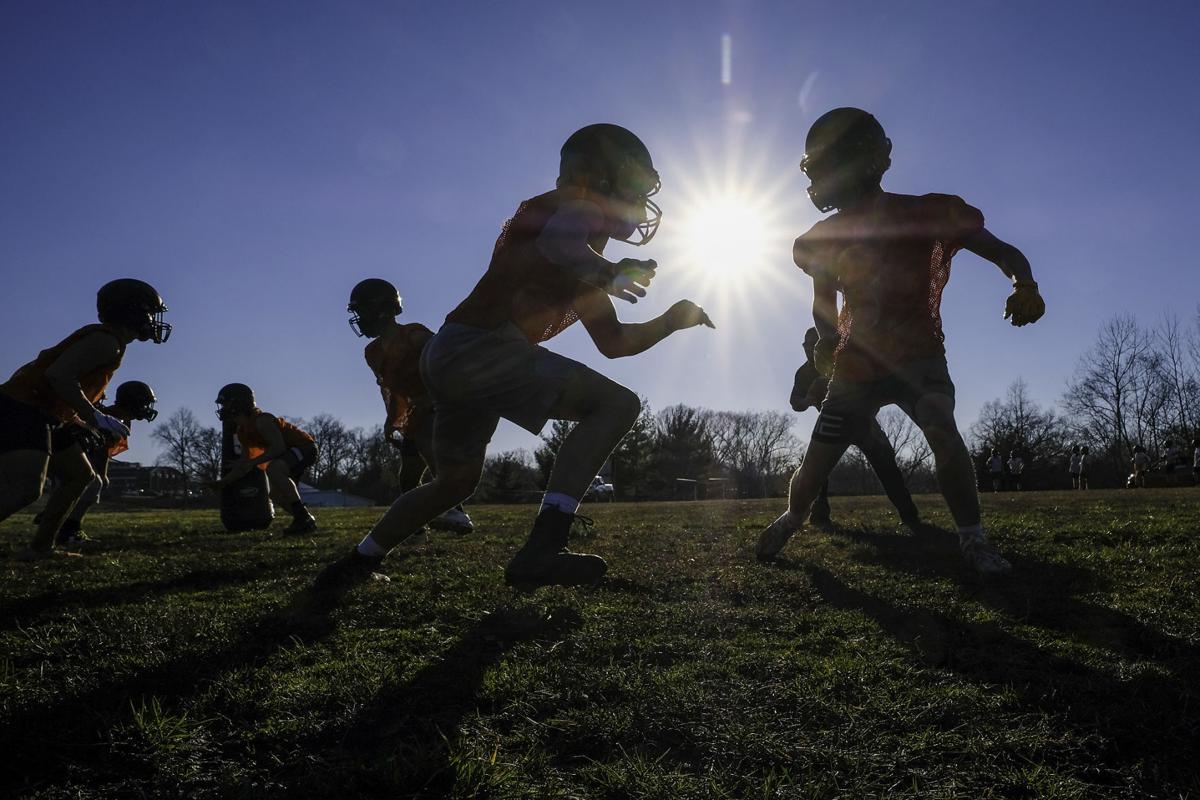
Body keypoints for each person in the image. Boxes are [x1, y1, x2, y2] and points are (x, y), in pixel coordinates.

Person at [321, 123, 714, 589]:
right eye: (633, 183)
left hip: (451, 350)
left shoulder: (579, 253)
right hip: (480, 346)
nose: (639, 200)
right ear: (600, 174)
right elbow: (560, 244)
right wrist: (609, 271)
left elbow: (615, 343)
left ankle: (361, 559)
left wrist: (669, 321)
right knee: (617, 406)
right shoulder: (577, 209)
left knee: (454, 484)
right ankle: (545, 546)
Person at [756, 108, 1045, 574]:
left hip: (918, 353)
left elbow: (1002, 251)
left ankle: (972, 539)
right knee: (816, 463)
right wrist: (828, 339)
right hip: (858, 361)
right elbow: (821, 302)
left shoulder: (925, 213)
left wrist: (1023, 283)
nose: (820, 179)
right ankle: (793, 515)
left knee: (940, 426)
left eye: (826, 165)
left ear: (859, 161)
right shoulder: (826, 237)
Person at [0, 279, 170, 559]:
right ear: (133, 311)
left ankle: (41, 547)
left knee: (81, 476)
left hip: (47, 410)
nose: (153, 320)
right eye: (150, 312)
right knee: (26, 489)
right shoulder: (107, 342)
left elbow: (60, 385)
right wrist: (96, 416)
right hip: (24, 406)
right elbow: (58, 376)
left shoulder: (109, 342)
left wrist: (80, 420)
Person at [347, 277, 473, 535]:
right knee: (408, 475)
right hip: (418, 410)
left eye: (363, 311)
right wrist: (392, 419)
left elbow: (449, 364)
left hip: (444, 402)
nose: (360, 318)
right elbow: (393, 389)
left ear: (382, 309)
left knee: (431, 447)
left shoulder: (415, 335)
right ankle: (415, 525)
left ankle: (456, 512)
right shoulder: (372, 352)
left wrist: (433, 399)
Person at [789, 326, 923, 529]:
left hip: (862, 420)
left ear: (822, 344)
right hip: (832, 424)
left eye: (813, 344)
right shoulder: (803, 374)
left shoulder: (842, 360)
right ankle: (819, 515)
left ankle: (909, 515)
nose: (809, 349)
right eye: (806, 345)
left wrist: (871, 407)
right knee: (816, 469)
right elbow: (795, 402)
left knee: (886, 464)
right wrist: (807, 400)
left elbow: (876, 386)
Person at [38, 381, 159, 544]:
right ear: (134, 402)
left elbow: (103, 450)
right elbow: (98, 449)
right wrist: (101, 473)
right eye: (145, 403)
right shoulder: (108, 418)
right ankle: (66, 530)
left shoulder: (119, 420)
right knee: (93, 483)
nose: (147, 407)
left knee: (93, 483)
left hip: (68, 453)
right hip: (58, 450)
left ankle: (58, 523)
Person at [211, 383, 319, 535]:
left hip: (304, 447)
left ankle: (302, 518)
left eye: (225, 404)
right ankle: (306, 520)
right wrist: (222, 483)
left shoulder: (262, 420)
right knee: (275, 495)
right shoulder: (242, 431)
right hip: (289, 454)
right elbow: (243, 465)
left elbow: (278, 447)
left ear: (238, 403)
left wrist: (253, 462)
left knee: (273, 468)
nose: (222, 409)